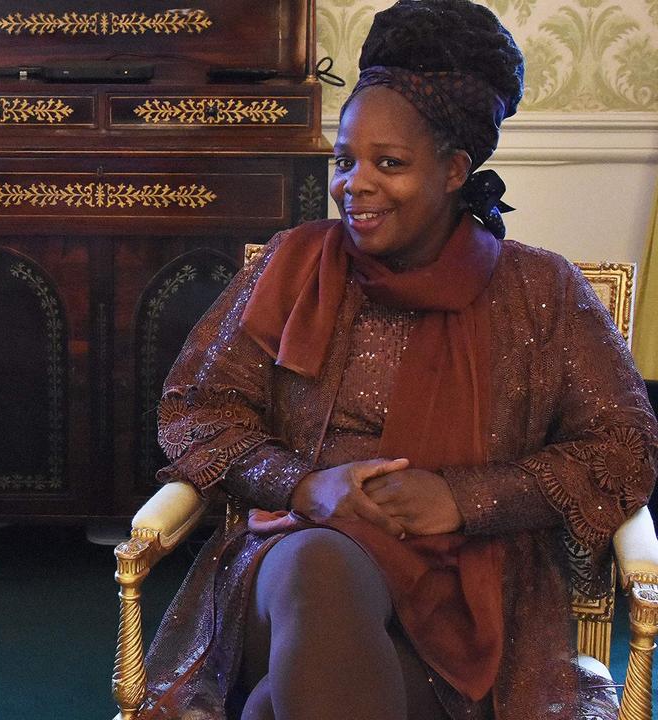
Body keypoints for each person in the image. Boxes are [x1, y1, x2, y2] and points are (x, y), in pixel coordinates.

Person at [138, 2, 657, 719]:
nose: (355, 184)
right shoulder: (293, 264)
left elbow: (622, 450)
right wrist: (302, 485)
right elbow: (195, 412)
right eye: (345, 160)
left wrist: (463, 499)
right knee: (321, 568)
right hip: (297, 567)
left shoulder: (542, 290)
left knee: (278, 707)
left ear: (453, 170)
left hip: (467, 593)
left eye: (390, 163)